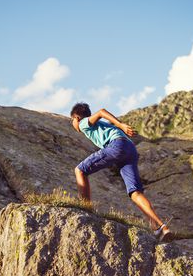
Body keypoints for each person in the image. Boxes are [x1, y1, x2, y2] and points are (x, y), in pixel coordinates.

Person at [70, 102, 172, 241]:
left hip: (116, 145)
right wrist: (119, 126)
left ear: (76, 118)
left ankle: (85, 208)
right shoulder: (101, 126)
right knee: (135, 192)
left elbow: (101, 112)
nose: (73, 124)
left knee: (80, 170)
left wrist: (120, 124)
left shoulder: (82, 124)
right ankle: (160, 227)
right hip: (129, 148)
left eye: (72, 120)